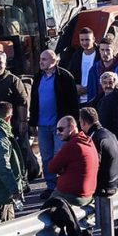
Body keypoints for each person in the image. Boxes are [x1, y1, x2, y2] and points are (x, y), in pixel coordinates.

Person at [30, 49, 80, 200]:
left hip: (61, 126)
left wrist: (73, 123)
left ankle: (63, 186)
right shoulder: (38, 77)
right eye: (40, 59)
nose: (41, 62)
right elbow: (34, 101)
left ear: (53, 61)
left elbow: (73, 102)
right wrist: (33, 121)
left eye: (44, 59)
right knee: (46, 157)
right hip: (43, 125)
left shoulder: (64, 77)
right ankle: (51, 186)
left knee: (60, 155)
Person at [0, 51, 35, 181]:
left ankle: (24, 178)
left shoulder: (13, 81)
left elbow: (22, 103)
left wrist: (23, 122)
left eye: (1, 63)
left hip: (12, 124)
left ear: (5, 64)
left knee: (19, 152)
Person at [47, 115, 99, 206]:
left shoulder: (72, 145)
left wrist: (62, 169)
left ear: (71, 127)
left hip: (74, 197)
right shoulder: (88, 140)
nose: (58, 133)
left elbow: (51, 168)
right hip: (88, 195)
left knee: (45, 212)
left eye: (60, 129)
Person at [79, 107, 118, 198]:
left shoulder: (94, 139)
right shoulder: (110, 134)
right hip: (115, 183)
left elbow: (93, 166)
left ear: (83, 122)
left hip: (103, 188)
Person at [87, 35, 118, 103]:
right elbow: (91, 94)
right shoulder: (94, 70)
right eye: (102, 50)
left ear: (113, 50)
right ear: (99, 51)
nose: (105, 53)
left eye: (108, 50)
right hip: (99, 107)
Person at [61, 27, 100, 104]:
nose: (84, 43)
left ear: (93, 39)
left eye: (87, 40)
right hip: (80, 100)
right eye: (82, 40)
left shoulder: (100, 55)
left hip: (95, 99)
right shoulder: (76, 56)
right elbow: (71, 75)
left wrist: (88, 89)